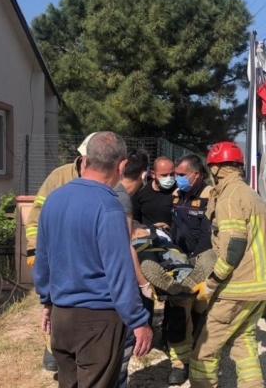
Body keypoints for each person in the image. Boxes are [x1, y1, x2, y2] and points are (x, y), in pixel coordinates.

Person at [33, 132, 153, 387]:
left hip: (62, 317)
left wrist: (47, 301)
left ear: (85, 160)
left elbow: (43, 259)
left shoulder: (54, 198)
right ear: (121, 166)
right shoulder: (108, 205)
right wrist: (138, 320)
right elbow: (119, 270)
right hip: (98, 320)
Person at [189, 142, 266, 388]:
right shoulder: (248, 192)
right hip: (260, 286)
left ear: (217, 169)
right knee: (244, 341)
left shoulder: (229, 197)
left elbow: (233, 248)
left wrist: (211, 283)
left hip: (239, 287)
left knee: (204, 352)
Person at [25, 132, 96, 372]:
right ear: (83, 157)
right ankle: (52, 347)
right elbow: (36, 215)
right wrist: (34, 249)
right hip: (56, 250)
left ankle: (76, 347)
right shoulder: (59, 176)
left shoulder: (103, 176)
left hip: (85, 251)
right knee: (54, 301)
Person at [166, 154, 213, 385]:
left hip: (202, 261)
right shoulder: (177, 195)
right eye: (176, 174)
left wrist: (196, 261)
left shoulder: (210, 196)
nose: (177, 178)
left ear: (197, 174)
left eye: (182, 175)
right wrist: (173, 253)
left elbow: (209, 233)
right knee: (178, 310)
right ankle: (178, 363)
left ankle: (198, 354)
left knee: (201, 310)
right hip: (179, 262)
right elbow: (175, 227)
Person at [113, 148, 153, 388]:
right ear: (144, 175)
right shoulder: (122, 198)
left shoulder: (105, 191)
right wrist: (144, 284)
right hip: (118, 284)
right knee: (123, 346)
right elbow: (125, 248)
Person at [132, 156, 176, 230]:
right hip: (147, 236)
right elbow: (135, 219)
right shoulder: (141, 190)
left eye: (172, 174)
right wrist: (149, 228)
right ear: (153, 174)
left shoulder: (178, 191)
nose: (169, 178)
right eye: (164, 175)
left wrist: (171, 229)